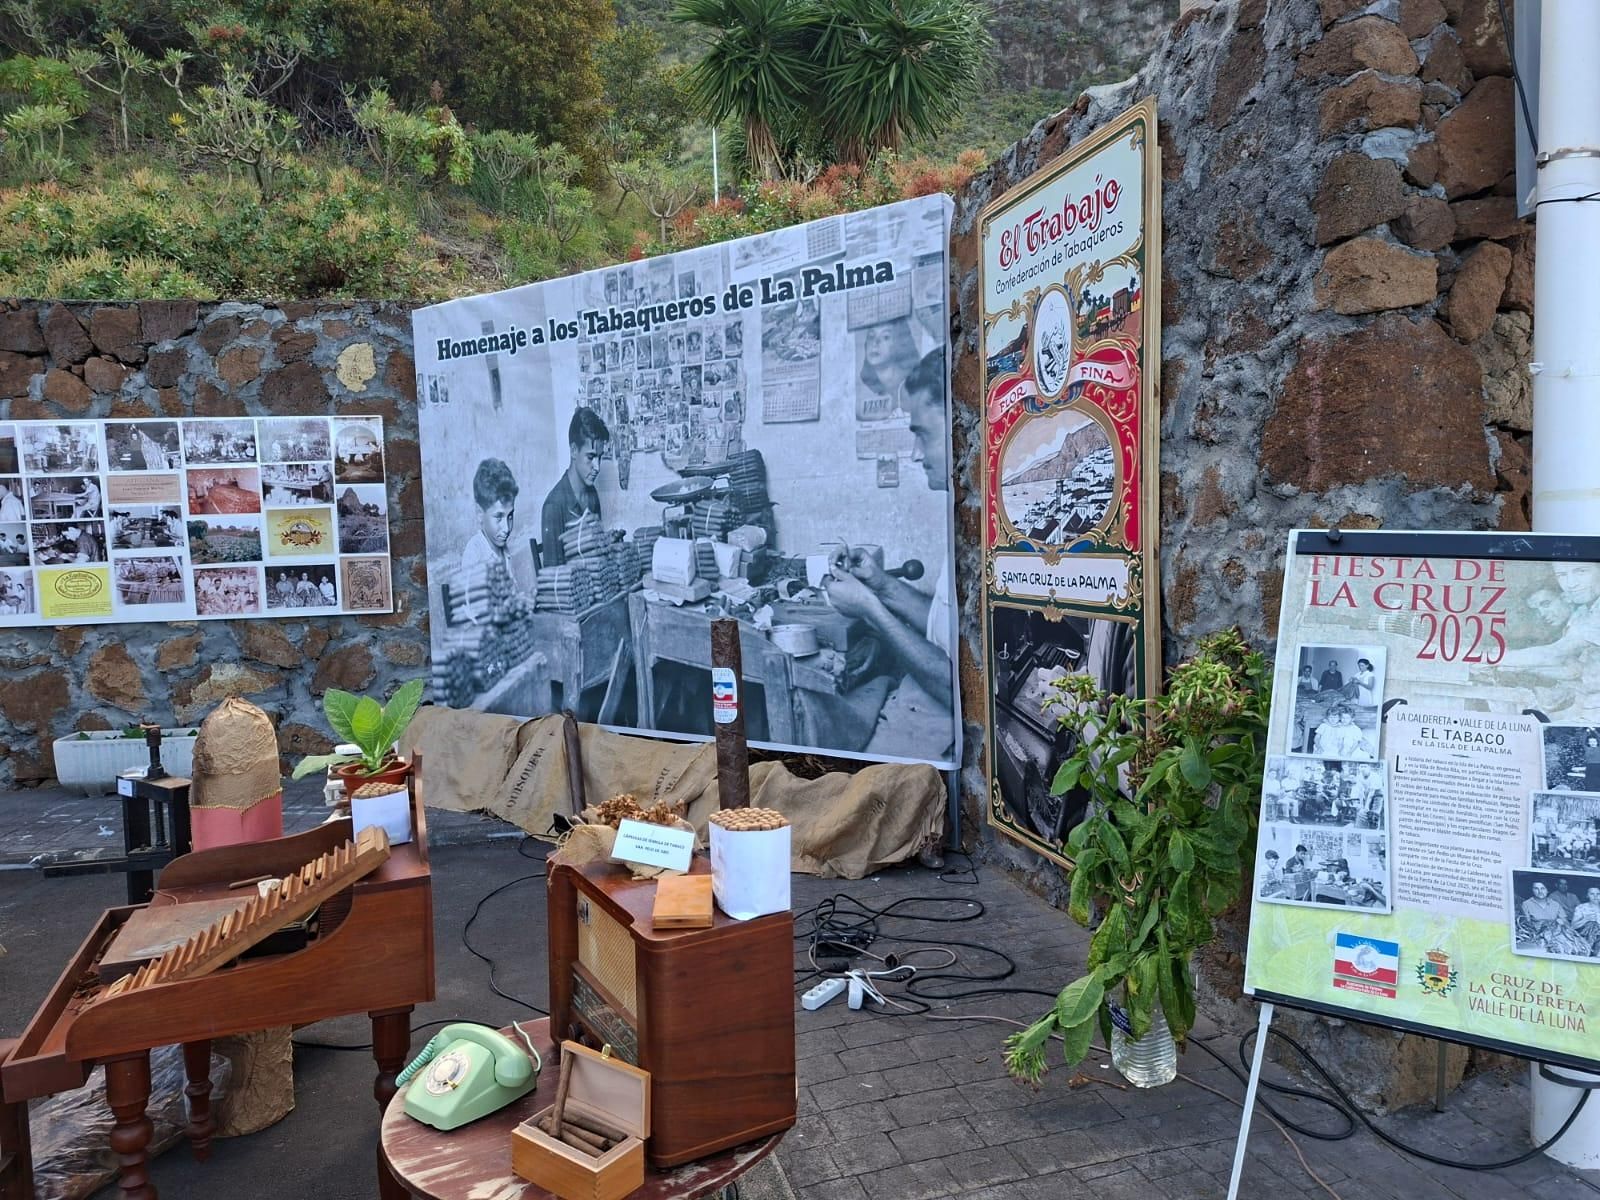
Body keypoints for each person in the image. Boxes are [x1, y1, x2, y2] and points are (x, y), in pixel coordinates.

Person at [823, 351, 954, 759]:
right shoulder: (965, 517)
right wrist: (881, 585)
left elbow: (956, 684)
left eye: (924, 435)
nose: (915, 454)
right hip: (918, 701)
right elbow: (945, 625)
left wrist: (870, 610)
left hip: (941, 719)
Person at [540, 409, 608, 569]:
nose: (597, 467)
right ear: (573, 450)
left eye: (600, 457)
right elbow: (553, 574)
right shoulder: (553, 506)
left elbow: (598, 550)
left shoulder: (592, 494)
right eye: (591, 457)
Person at [463, 457, 520, 581]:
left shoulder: (502, 547)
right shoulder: (474, 554)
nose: (507, 528)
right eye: (499, 517)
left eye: (510, 516)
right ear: (479, 513)